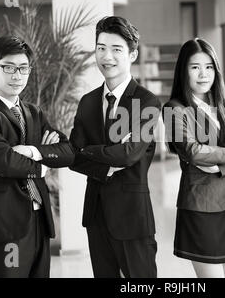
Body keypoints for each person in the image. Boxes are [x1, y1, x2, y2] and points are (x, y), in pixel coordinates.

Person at [0, 36, 75, 278]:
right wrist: (44, 167)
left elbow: (68, 152)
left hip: (39, 220)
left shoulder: (33, 112)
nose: (17, 75)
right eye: (9, 68)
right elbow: (3, 160)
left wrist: (32, 151)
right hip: (5, 224)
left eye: (23, 69)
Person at [69, 16, 161, 278]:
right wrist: (103, 163)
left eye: (116, 49)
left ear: (132, 54)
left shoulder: (146, 101)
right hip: (96, 216)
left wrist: (88, 151)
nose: (106, 56)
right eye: (101, 48)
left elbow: (129, 153)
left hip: (132, 218)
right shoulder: (87, 102)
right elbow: (74, 157)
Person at [163, 38, 225, 278]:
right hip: (201, 205)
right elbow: (192, 151)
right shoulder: (174, 109)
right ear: (183, 70)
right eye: (195, 67)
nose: (203, 74)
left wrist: (218, 166)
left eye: (209, 66)